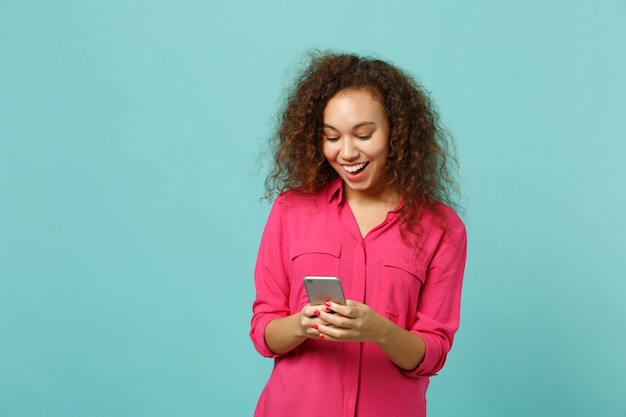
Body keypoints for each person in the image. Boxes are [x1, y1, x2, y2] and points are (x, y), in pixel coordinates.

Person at [250, 51, 467, 417]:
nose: (347, 152)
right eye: (331, 137)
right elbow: (263, 331)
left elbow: (432, 352)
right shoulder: (291, 210)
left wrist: (380, 330)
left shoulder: (442, 229)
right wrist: (302, 324)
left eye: (364, 135)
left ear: (396, 131)